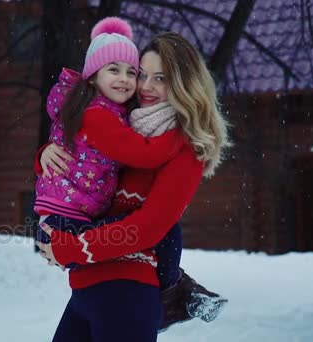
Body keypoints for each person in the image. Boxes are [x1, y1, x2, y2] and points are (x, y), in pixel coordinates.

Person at [36, 31, 231, 341]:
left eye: (161, 78)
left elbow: (148, 228)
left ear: (183, 83)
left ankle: (177, 288)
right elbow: (85, 168)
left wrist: (76, 246)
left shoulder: (184, 146)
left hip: (125, 293)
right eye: (143, 75)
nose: (146, 86)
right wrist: (45, 155)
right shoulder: (126, 124)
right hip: (85, 289)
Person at [34, 17, 183, 259]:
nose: (124, 78)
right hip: (64, 224)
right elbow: (144, 155)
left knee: (155, 236)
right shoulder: (96, 116)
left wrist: (43, 153)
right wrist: (178, 135)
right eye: (114, 70)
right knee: (163, 235)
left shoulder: (104, 111)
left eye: (131, 72)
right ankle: (172, 288)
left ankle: (172, 284)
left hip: (69, 217)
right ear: (92, 76)